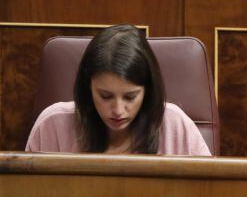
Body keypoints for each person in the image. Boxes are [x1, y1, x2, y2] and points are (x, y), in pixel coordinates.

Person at [26, 24, 211, 156]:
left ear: (147, 91)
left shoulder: (175, 125)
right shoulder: (52, 125)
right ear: (88, 87)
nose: (117, 110)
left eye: (130, 97)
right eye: (105, 96)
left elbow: (206, 195)